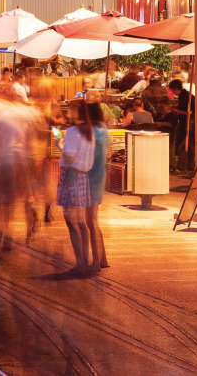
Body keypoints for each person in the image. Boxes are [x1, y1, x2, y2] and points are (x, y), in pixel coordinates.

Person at [56, 100, 94, 277]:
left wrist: (60, 145)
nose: (67, 112)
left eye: (70, 109)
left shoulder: (71, 131)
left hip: (70, 176)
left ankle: (79, 263)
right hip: (83, 177)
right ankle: (85, 262)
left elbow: (70, 157)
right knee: (81, 222)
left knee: (71, 222)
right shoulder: (90, 131)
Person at [86, 102, 109, 273]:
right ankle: (103, 258)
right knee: (93, 220)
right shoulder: (103, 129)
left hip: (90, 177)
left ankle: (95, 262)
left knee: (90, 221)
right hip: (99, 176)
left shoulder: (91, 132)